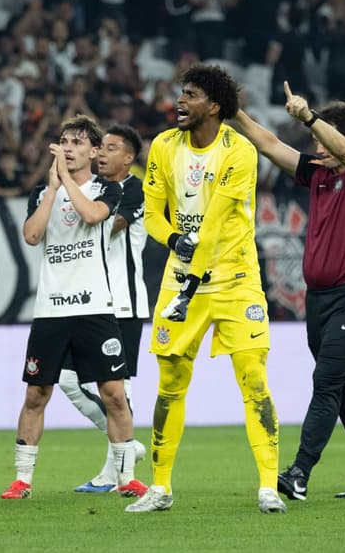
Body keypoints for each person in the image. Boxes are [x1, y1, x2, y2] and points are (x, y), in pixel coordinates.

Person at [126, 64, 285, 514]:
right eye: (181, 92)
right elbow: (153, 214)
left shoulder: (240, 151)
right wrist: (174, 240)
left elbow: (213, 224)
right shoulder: (163, 146)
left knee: (253, 379)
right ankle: (160, 488)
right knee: (170, 383)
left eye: (191, 94)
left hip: (235, 280)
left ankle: (268, 487)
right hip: (180, 278)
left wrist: (191, 282)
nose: (180, 100)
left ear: (214, 106)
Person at [235, 82, 345, 500]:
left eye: (324, 138)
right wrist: (236, 112)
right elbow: (269, 145)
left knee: (325, 382)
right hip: (319, 301)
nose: (317, 146)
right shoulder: (318, 174)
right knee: (344, 386)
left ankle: (299, 472)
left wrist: (308, 116)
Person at [0, 115, 146, 501]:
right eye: (64, 141)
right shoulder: (43, 192)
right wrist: (52, 188)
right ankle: (22, 479)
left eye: (78, 143)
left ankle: (126, 478)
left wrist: (65, 180)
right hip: (51, 309)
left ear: (93, 151)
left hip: (95, 307)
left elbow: (93, 216)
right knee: (36, 394)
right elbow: (32, 236)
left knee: (114, 393)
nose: (68, 148)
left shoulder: (107, 188)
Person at [57, 124, 150, 493]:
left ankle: (115, 472)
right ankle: (127, 445)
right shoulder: (90, 190)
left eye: (112, 148)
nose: (103, 154)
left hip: (123, 302)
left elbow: (105, 227)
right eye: (102, 147)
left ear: (128, 158)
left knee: (118, 389)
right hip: (89, 301)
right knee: (67, 380)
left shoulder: (134, 189)